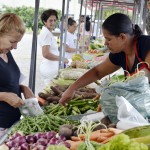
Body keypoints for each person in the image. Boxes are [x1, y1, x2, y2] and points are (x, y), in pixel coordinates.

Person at [59, 13, 150, 106]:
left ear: (122, 37)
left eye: (108, 39)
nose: (105, 43)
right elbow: (97, 72)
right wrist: (72, 88)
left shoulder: (146, 45)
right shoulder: (119, 53)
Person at [0, 13, 35, 137]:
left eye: (17, 42)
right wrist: (3, 96)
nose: (15, 47)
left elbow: (6, 81)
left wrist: (22, 87)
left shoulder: (5, 51)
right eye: (12, 41)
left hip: (11, 124)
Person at [38, 9, 68, 85]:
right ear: (45, 21)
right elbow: (46, 54)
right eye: (50, 20)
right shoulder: (47, 34)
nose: (53, 23)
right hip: (49, 68)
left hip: (50, 67)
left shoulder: (47, 32)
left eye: (55, 20)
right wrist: (62, 58)